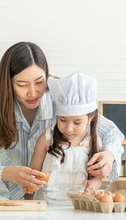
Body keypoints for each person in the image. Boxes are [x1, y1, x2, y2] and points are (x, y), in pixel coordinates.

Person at [0, 42, 124, 200]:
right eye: (22, 85)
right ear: (8, 83)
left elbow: (111, 133)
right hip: (3, 198)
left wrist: (108, 155)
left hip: (47, 204)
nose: (33, 93)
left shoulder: (60, 95)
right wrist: (8, 172)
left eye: (39, 82)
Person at [24, 71, 103, 200]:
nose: (69, 128)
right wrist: (28, 201)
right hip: (47, 204)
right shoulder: (46, 139)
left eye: (77, 122)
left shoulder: (91, 142)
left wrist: (94, 183)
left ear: (90, 118)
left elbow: (97, 178)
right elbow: (32, 176)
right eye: (62, 120)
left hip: (78, 205)